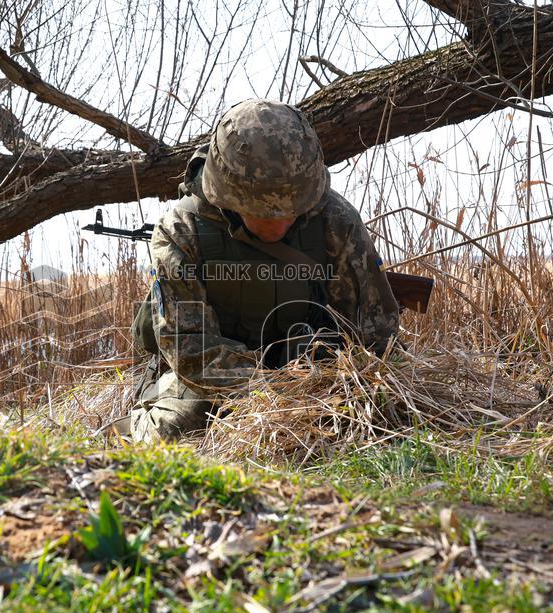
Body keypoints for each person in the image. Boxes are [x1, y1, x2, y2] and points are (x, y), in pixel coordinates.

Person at [126, 99, 399, 442]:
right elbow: (191, 353)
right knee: (173, 433)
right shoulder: (182, 230)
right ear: (228, 195)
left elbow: (376, 336)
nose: (280, 218)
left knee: (385, 417)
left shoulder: (334, 220)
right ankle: (132, 425)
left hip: (315, 376)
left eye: (293, 206)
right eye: (263, 209)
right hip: (216, 383)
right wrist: (276, 391)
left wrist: (332, 385)